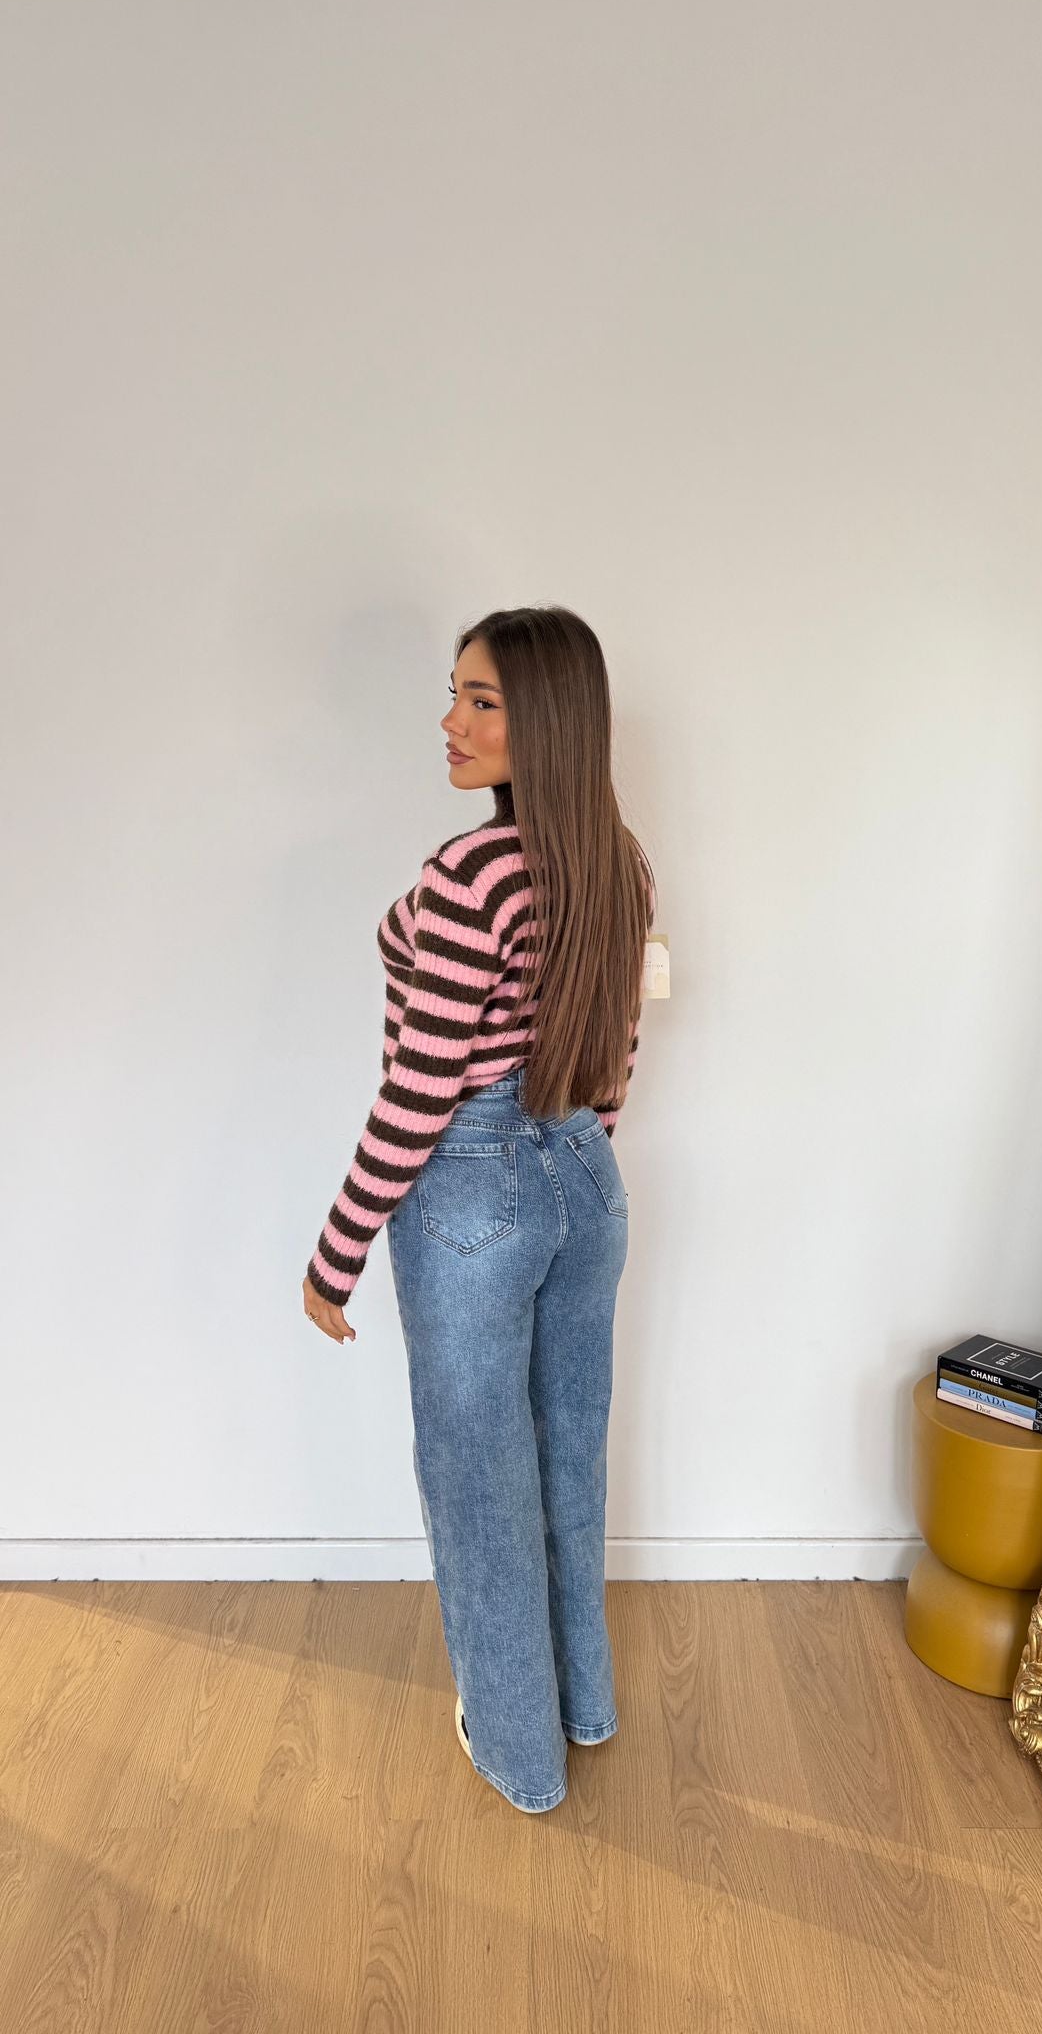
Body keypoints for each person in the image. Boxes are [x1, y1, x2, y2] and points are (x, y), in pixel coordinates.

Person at [302, 604, 656, 1813]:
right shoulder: (621, 861)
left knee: (478, 1475)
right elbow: (617, 1046)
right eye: (454, 693)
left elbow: (421, 1087)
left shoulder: (470, 874)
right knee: (568, 1449)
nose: (451, 721)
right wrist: (576, 1167)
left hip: (468, 1183)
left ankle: (518, 1750)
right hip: (585, 1177)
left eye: (483, 700)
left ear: (547, 718)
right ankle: (582, 1703)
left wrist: (337, 1248)